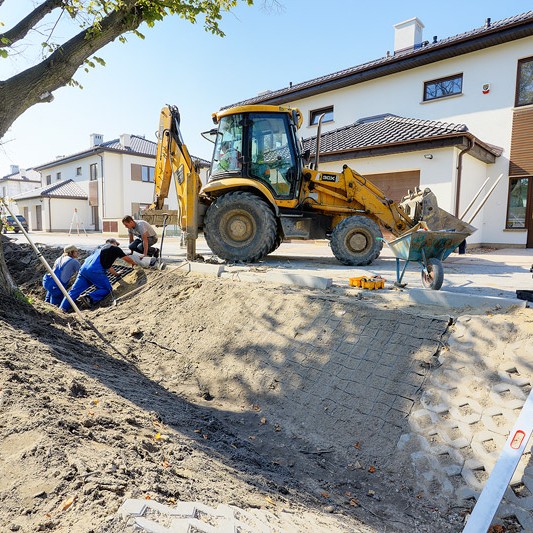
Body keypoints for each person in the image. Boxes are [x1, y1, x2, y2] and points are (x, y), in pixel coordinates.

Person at [59, 238, 136, 312]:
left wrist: (116, 274)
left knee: (74, 291)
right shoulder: (115, 248)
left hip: (84, 269)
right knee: (106, 289)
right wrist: (135, 263)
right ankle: (88, 298)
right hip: (95, 270)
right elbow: (127, 259)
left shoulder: (99, 248)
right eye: (117, 244)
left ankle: (62, 309)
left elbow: (109, 267)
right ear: (114, 243)